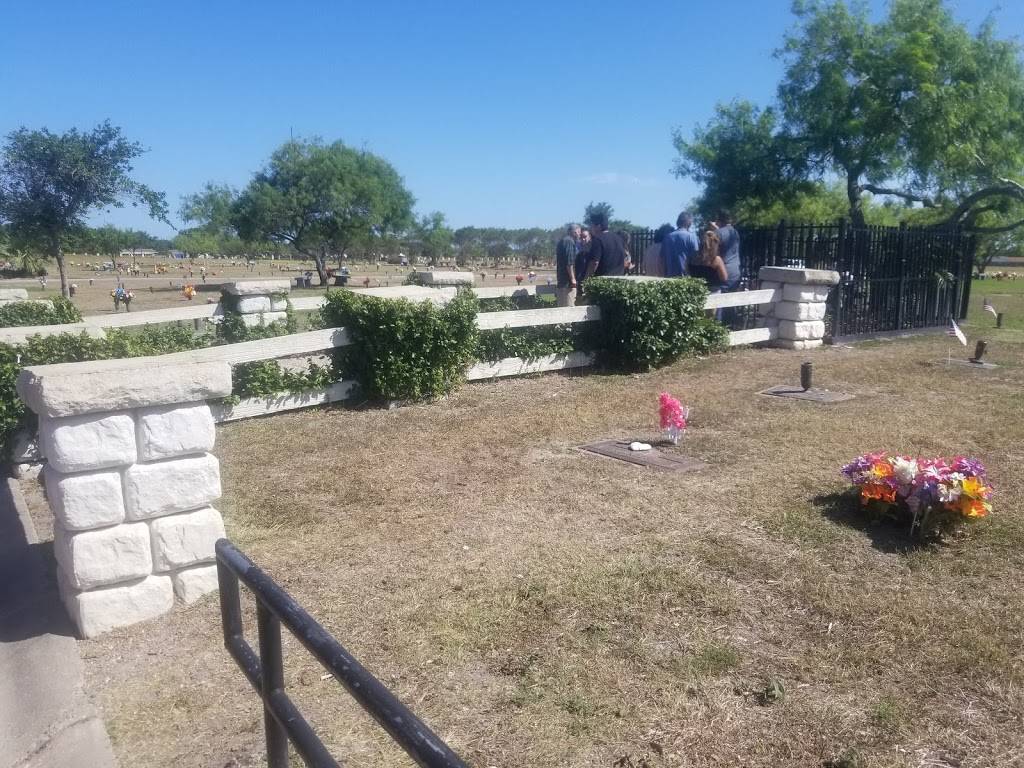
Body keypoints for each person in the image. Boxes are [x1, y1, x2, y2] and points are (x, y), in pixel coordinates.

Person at [582, 212, 629, 285]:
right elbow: (624, 259)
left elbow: (594, 262)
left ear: (598, 226)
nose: (591, 229)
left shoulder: (597, 240)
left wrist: (586, 279)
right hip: (619, 282)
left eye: (592, 226)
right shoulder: (619, 239)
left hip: (603, 283)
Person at [661, 212, 700, 277]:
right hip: (687, 277)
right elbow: (696, 257)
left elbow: (662, 258)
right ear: (689, 223)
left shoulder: (667, 237)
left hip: (670, 277)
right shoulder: (691, 237)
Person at [714, 210, 741, 293]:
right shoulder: (735, 232)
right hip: (736, 271)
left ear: (718, 220)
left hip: (723, 271)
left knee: (719, 302)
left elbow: (712, 253)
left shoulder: (717, 233)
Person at [555, 223, 581, 307]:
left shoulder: (562, 241)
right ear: (575, 231)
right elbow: (569, 262)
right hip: (567, 283)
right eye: (579, 232)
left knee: (561, 308)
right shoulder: (569, 241)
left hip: (561, 280)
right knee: (569, 309)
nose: (579, 234)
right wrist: (573, 279)